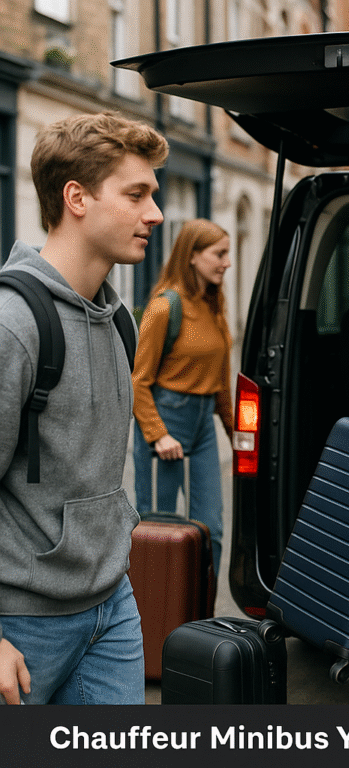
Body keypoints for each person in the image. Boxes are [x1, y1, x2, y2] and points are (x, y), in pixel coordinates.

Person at [0, 111, 168, 704]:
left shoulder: (119, 319)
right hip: (20, 624)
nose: (156, 213)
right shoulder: (12, 324)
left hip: (111, 608)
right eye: (137, 194)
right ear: (77, 197)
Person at [132, 218, 233, 576]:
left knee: (211, 530)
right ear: (192, 256)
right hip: (166, 420)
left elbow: (221, 384)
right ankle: (158, 619)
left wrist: (238, 435)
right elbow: (138, 381)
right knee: (160, 530)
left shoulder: (214, 307)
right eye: (219, 254)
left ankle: (200, 618)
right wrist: (158, 434)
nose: (227, 262)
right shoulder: (163, 308)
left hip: (204, 423)